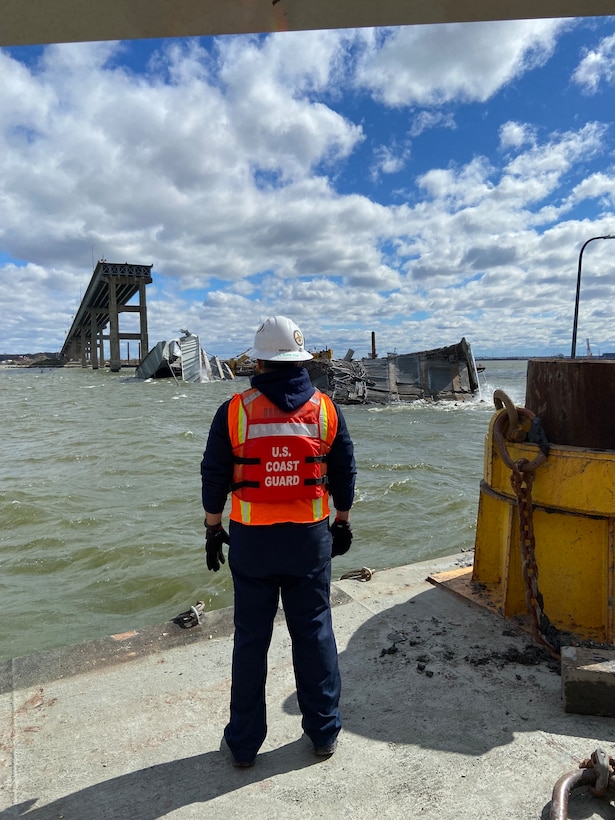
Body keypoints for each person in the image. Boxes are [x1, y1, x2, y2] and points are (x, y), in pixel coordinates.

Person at [200, 315, 356, 768]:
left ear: (260, 361)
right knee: (315, 634)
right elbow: (344, 470)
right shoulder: (326, 409)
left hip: (252, 543)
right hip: (309, 542)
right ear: (302, 359)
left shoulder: (235, 410)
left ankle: (245, 745)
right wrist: (341, 520)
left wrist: (213, 527)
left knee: (251, 641)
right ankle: (323, 733)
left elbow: (214, 474)